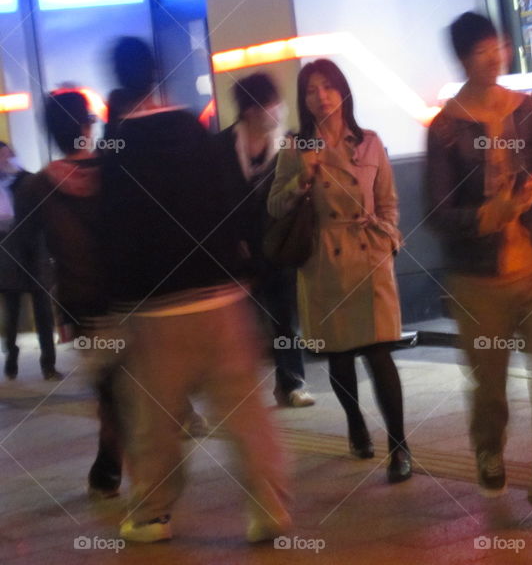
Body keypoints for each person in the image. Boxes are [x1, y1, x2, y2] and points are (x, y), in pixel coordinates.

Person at [101, 37, 289, 543]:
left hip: (159, 308)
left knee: (154, 420)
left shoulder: (116, 144)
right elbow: (227, 203)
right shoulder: (192, 128)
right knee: (245, 412)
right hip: (222, 294)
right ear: (158, 74)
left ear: (117, 82)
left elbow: (114, 232)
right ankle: (267, 505)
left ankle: (151, 514)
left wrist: (114, 307)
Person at [425, 12, 532, 529]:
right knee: (491, 389)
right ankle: (488, 445)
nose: (494, 55)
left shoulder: (525, 111)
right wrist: (489, 215)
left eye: (497, 45)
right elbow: (435, 214)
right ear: (462, 59)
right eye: (481, 49)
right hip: (478, 280)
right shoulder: (445, 129)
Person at [268, 59, 412, 483]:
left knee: (381, 353)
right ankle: (354, 422)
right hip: (325, 262)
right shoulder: (295, 147)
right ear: (304, 100)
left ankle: (400, 446)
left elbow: (388, 201)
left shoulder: (369, 143)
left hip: (370, 258)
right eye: (311, 90)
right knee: (342, 354)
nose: (321, 96)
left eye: (328, 86)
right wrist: (302, 180)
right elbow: (274, 204)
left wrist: (388, 239)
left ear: (343, 91)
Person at [16, 91, 121, 497]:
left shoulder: (39, 185)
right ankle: (113, 467)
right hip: (129, 296)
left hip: (81, 305)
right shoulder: (115, 172)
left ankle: (109, 467)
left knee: (110, 388)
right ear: (85, 127)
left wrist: (49, 283)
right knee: (128, 387)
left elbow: (22, 243)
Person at [215, 73, 314, 408]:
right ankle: (239, 389)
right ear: (250, 110)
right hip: (235, 254)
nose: (278, 109)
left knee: (284, 317)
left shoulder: (289, 145)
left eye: (277, 102)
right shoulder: (222, 147)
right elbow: (212, 203)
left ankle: (291, 382)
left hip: (278, 248)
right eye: (270, 103)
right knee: (239, 325)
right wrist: (231, 240)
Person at [0, 141, 60, 381]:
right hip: (8, 253)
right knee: (12, 311)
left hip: (34, 252)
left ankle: (48, 364)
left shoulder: (27, 180)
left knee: (43, 310)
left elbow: (43, 212)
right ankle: (11, 358)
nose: (5, 159)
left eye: (7, 155)